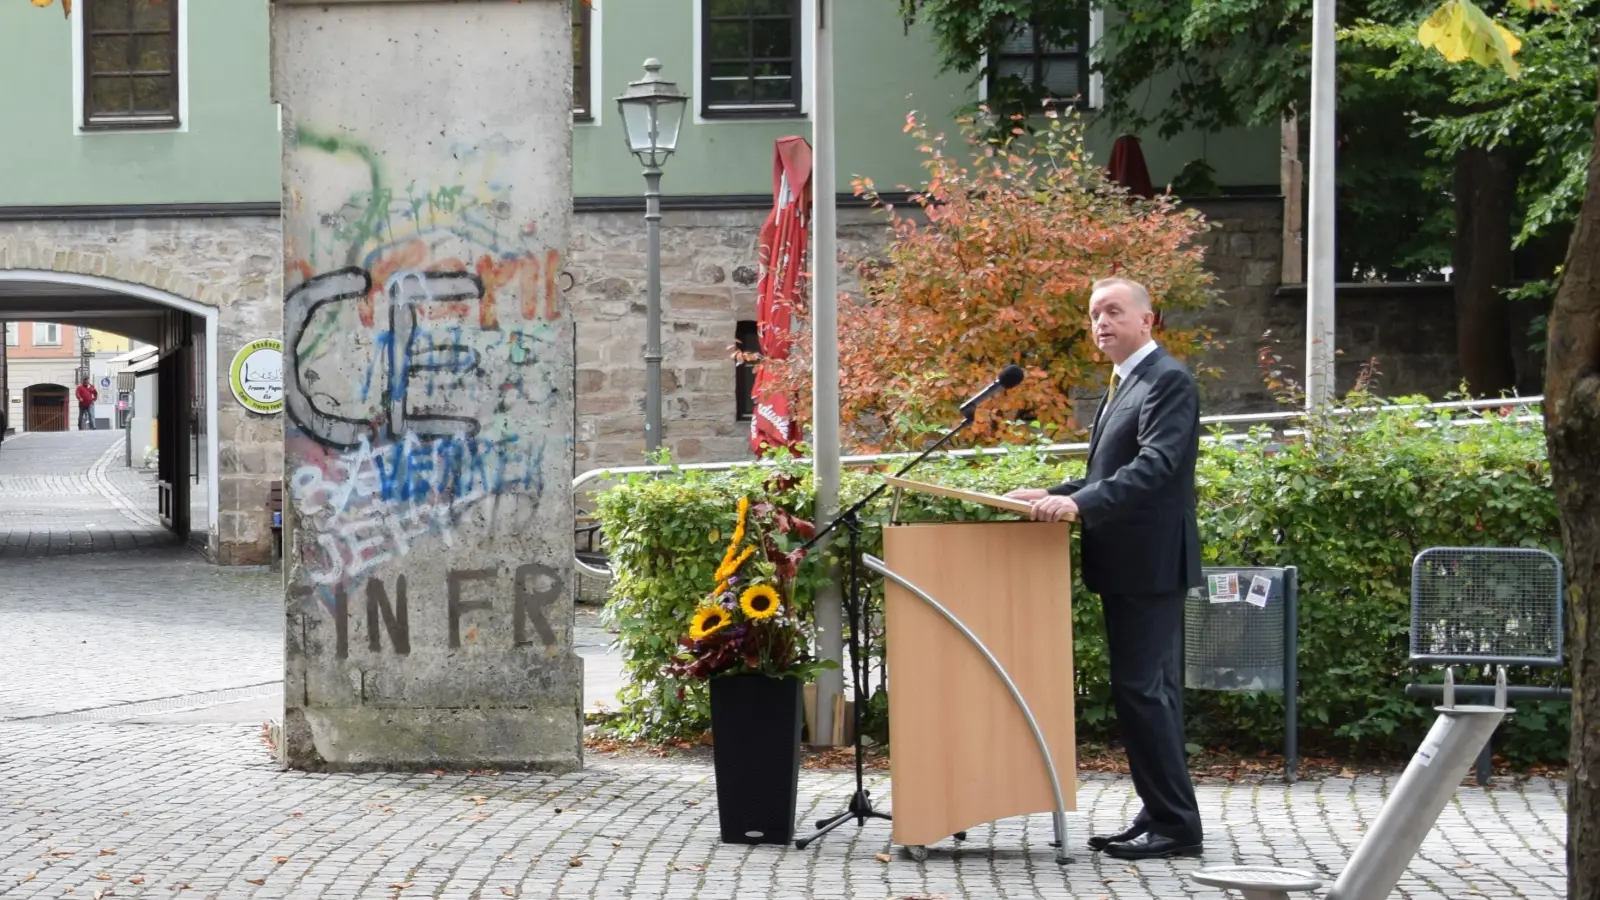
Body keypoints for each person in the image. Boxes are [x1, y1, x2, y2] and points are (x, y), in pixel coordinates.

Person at [1006, 276, 1205, 861]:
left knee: (1142, 691)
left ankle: (1177, 826)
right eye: (1094, 314)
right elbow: (1106, 475)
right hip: (1127, 563)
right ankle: (1163, 812)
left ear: (1148, 319)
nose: (1101, 323)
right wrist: (1054, 492)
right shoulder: (1124, 383)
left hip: (1151, 563)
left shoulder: (1167, 380)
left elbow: (1156, 466)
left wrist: (1081, 505)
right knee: (1150, 691)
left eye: (1114, 311)